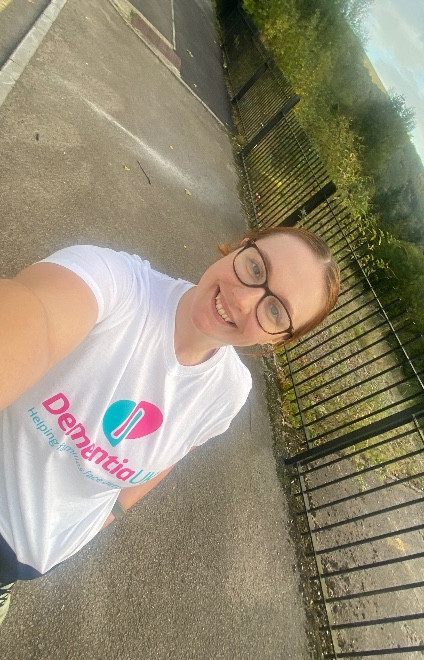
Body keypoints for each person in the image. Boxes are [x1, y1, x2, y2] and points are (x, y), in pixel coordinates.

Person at [0, 226, 340, 626]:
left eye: (276, 311)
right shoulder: (115, 284)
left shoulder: (229, 394)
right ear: (240, 247)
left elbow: (173, 455)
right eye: (256, 267)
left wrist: (112, 514)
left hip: (44, 552)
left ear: (277, 340)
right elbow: (38, 313)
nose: (245, 299)